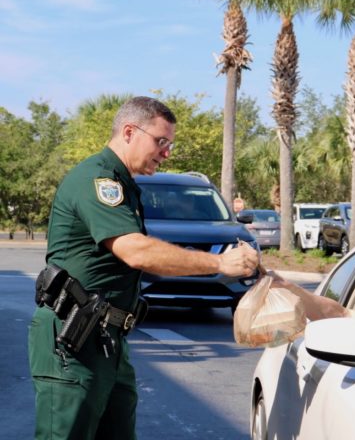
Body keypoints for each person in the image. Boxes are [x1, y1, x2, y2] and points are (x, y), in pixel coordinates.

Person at [28, 96, 259, 440]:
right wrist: (220, 262)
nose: (166, 152)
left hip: (107, 340)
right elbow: (135, 251)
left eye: (170, 144)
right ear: (129, 131)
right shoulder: (97, 180)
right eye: (160, 141)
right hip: (72, 340)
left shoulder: (124, 185)